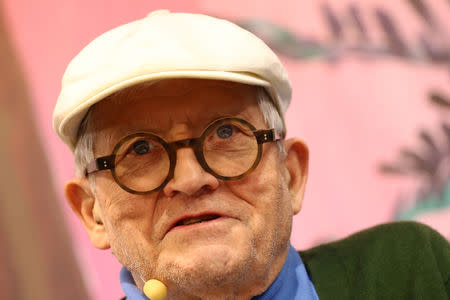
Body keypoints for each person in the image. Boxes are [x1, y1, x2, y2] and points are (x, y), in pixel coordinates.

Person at [53, 10, 450, 300]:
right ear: (93, 212)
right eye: (140, 149)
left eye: (226, 132)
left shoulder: (409, 272)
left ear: (291, 175)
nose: (191, 179)